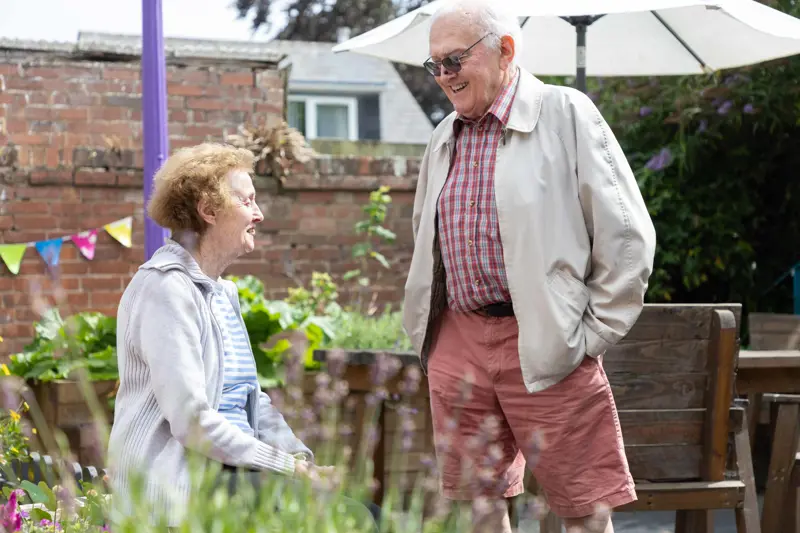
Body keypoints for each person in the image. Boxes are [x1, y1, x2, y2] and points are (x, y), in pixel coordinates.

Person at [402, 1, 657, 531]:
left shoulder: (565, 113)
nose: (444, 75)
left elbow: (628, 236)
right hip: (458, 339)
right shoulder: (443, 135)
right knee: (478, 505)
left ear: (505, 50)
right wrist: (433, 337)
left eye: (455, 60)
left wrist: (589, 334)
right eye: (435, 65)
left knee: (585, 509)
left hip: (545, 339)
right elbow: (425, 234)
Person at [107, 143, 377, 530]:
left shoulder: (221, 293)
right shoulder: (166, 289)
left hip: (234, 472)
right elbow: (191, 422)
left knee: (373, 514)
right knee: (354, 520)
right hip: (184, 482)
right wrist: (288, 468)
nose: (258, 213)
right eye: (247, 201)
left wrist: (300, 460)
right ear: (209, 210)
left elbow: (252, 400)